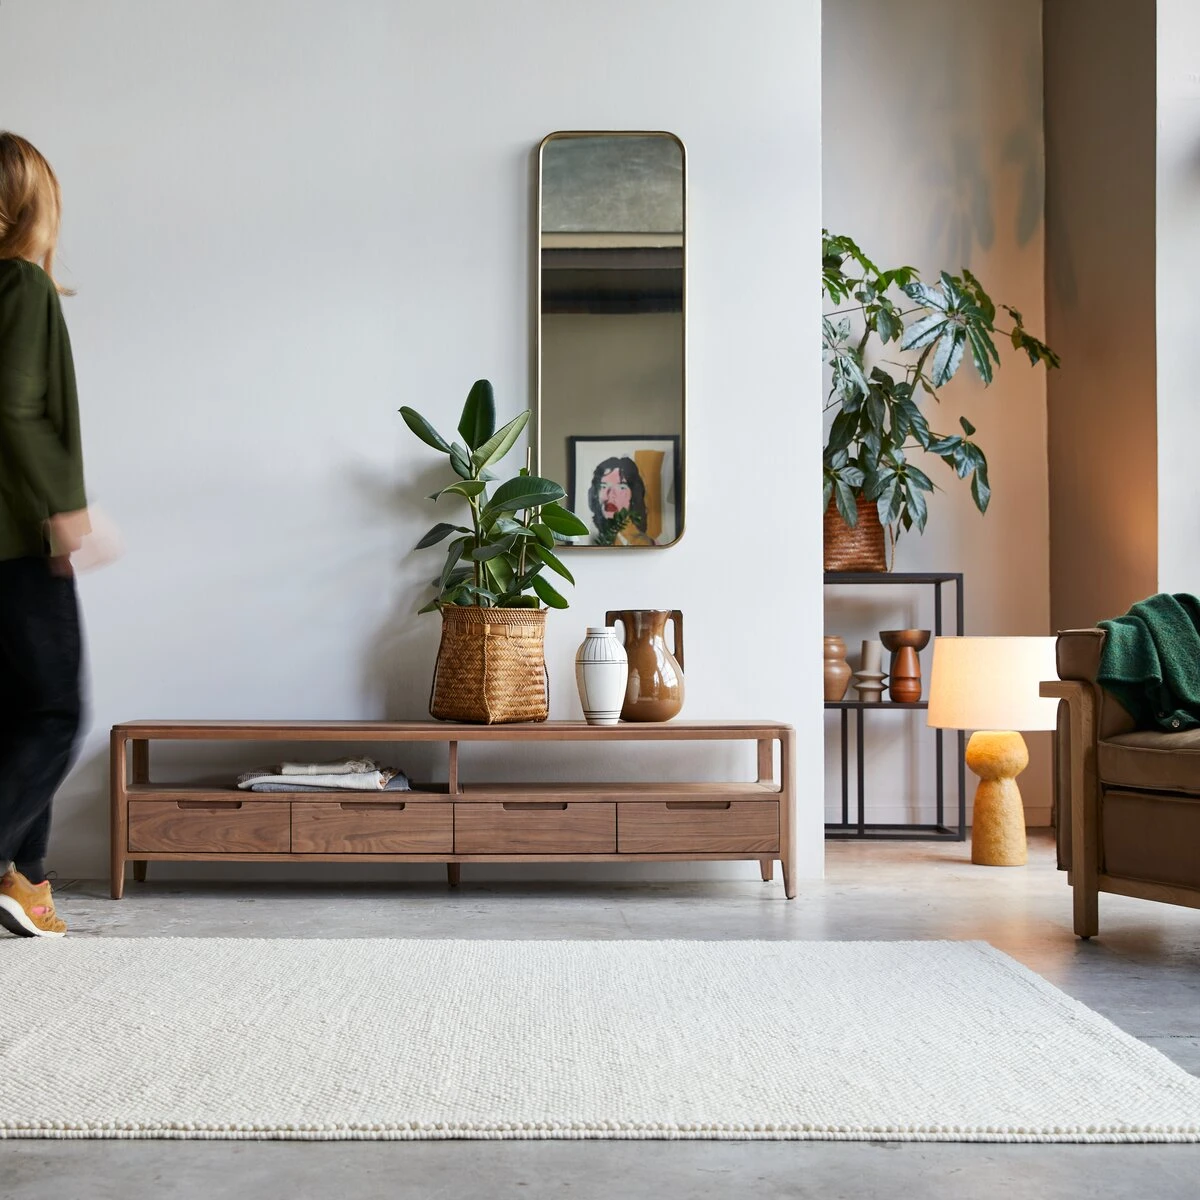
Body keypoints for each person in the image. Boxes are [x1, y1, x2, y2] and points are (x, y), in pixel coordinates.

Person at [0, 132, 92, 937]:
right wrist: (66, 506)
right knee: (56, 712)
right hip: (14, 535)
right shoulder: (20, 284)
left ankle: (24, 880)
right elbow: (16, 407)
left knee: (15, 712)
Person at [587, 456, 654, 546]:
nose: (610, 495)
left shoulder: (641, 543)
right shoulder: (594, 537)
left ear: (633, 495)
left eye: (621, 487)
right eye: (604, 486)